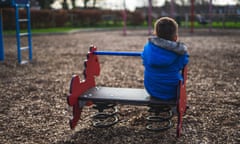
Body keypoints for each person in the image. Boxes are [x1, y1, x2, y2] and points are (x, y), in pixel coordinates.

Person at [141, 17, 189, 100]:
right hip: (172, 91)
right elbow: (183, 63)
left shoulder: (147, 47)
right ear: (175, 37)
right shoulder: (179, 52)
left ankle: (157, 107)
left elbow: (144, 60)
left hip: (151, 89)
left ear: (156, 34)